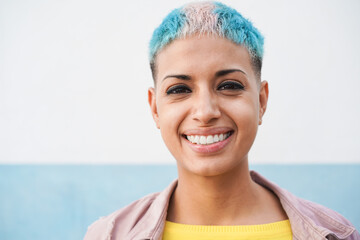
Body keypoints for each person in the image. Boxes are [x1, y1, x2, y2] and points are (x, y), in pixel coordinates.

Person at [84, 1, 359, 239]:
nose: (205, 112)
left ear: (261, 101)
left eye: (229, 85)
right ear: (155, 108)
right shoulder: (109, 235)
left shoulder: (335, 233)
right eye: (179, 89)